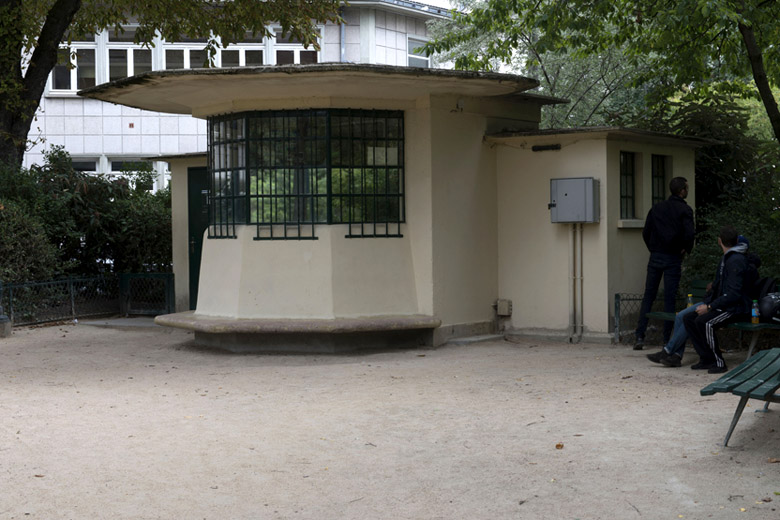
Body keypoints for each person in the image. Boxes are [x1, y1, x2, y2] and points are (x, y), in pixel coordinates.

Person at [647, 234, 759, 368]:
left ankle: (670, 351)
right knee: (682, 316)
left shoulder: (737, 261)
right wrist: (713, 286)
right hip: (714, 300)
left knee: (686, 317)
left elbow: (733, 292)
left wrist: (710, 304)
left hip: (720, 303)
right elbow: (723, 284)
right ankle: (676, 355)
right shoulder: (728, 259)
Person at [683, 226, 758, 374]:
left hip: (736, 308)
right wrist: (709, 301)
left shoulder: (735, 260)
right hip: (725, 305)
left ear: (719, 241)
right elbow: (720, 287)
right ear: (736, 241)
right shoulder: (727, 258)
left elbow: (734, 295)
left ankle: (718, 362)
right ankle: (706, 359)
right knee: (689, 318)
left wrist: (709, 307)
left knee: (705, 322)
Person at [634, 177, 695, 350]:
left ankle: (639, 335)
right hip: (673, 257)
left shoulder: (657, 208)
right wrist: (685, 247)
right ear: (682, 191)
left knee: (648, 295)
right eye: (686, 188)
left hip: (656, 256)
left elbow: (646, 232)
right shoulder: (685, 210)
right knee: (670, 297)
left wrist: (653, 248)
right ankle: (666, 338)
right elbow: (689, 234)